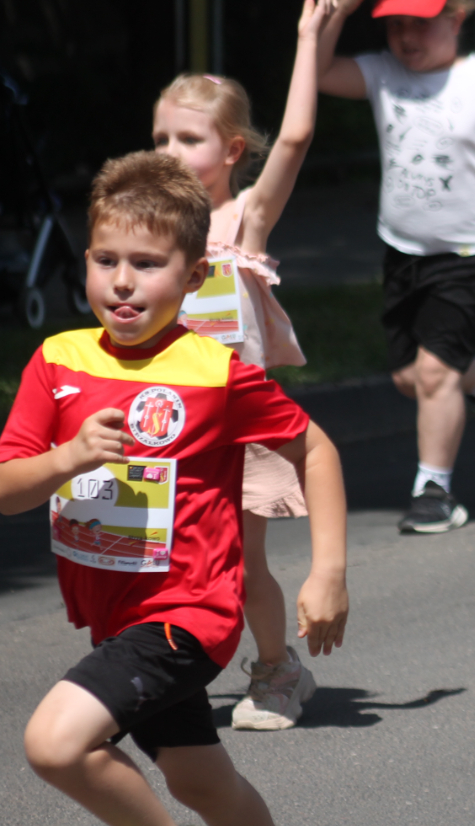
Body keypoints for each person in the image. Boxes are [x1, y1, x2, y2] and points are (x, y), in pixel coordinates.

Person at [0, 151, 347, 826]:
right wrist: (66, 460)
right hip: (116, 615)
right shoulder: (57, 361)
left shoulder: (216, 374)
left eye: (148, 264)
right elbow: (8, 487)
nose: (123, 281)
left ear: (193, 277)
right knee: (201, 777)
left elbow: (316, 451)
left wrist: (329, 571)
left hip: (189, 615)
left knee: (54, 743)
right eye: (105, 259)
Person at [152, 0, 332, 732]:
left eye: (187, 138)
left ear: (230, 152)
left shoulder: (242, 222)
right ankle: (156, 667)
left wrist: (309, 35)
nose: (167, 149)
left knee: (241, 560)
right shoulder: (155, 234)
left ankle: (277, 668)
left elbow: (295, 134)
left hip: (242, 424)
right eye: (159, 135)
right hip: (170, 425)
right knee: (168, 559)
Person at [318, 0, 475, 533]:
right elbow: (316, 73)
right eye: (396, 23)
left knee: (434, 373)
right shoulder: (382, 73)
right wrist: (331, 16)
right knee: (411, 378)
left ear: (455, 19)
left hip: (471, 254)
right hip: (403, 252)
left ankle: (435, 491)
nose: (406, 36)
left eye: (421, 22)